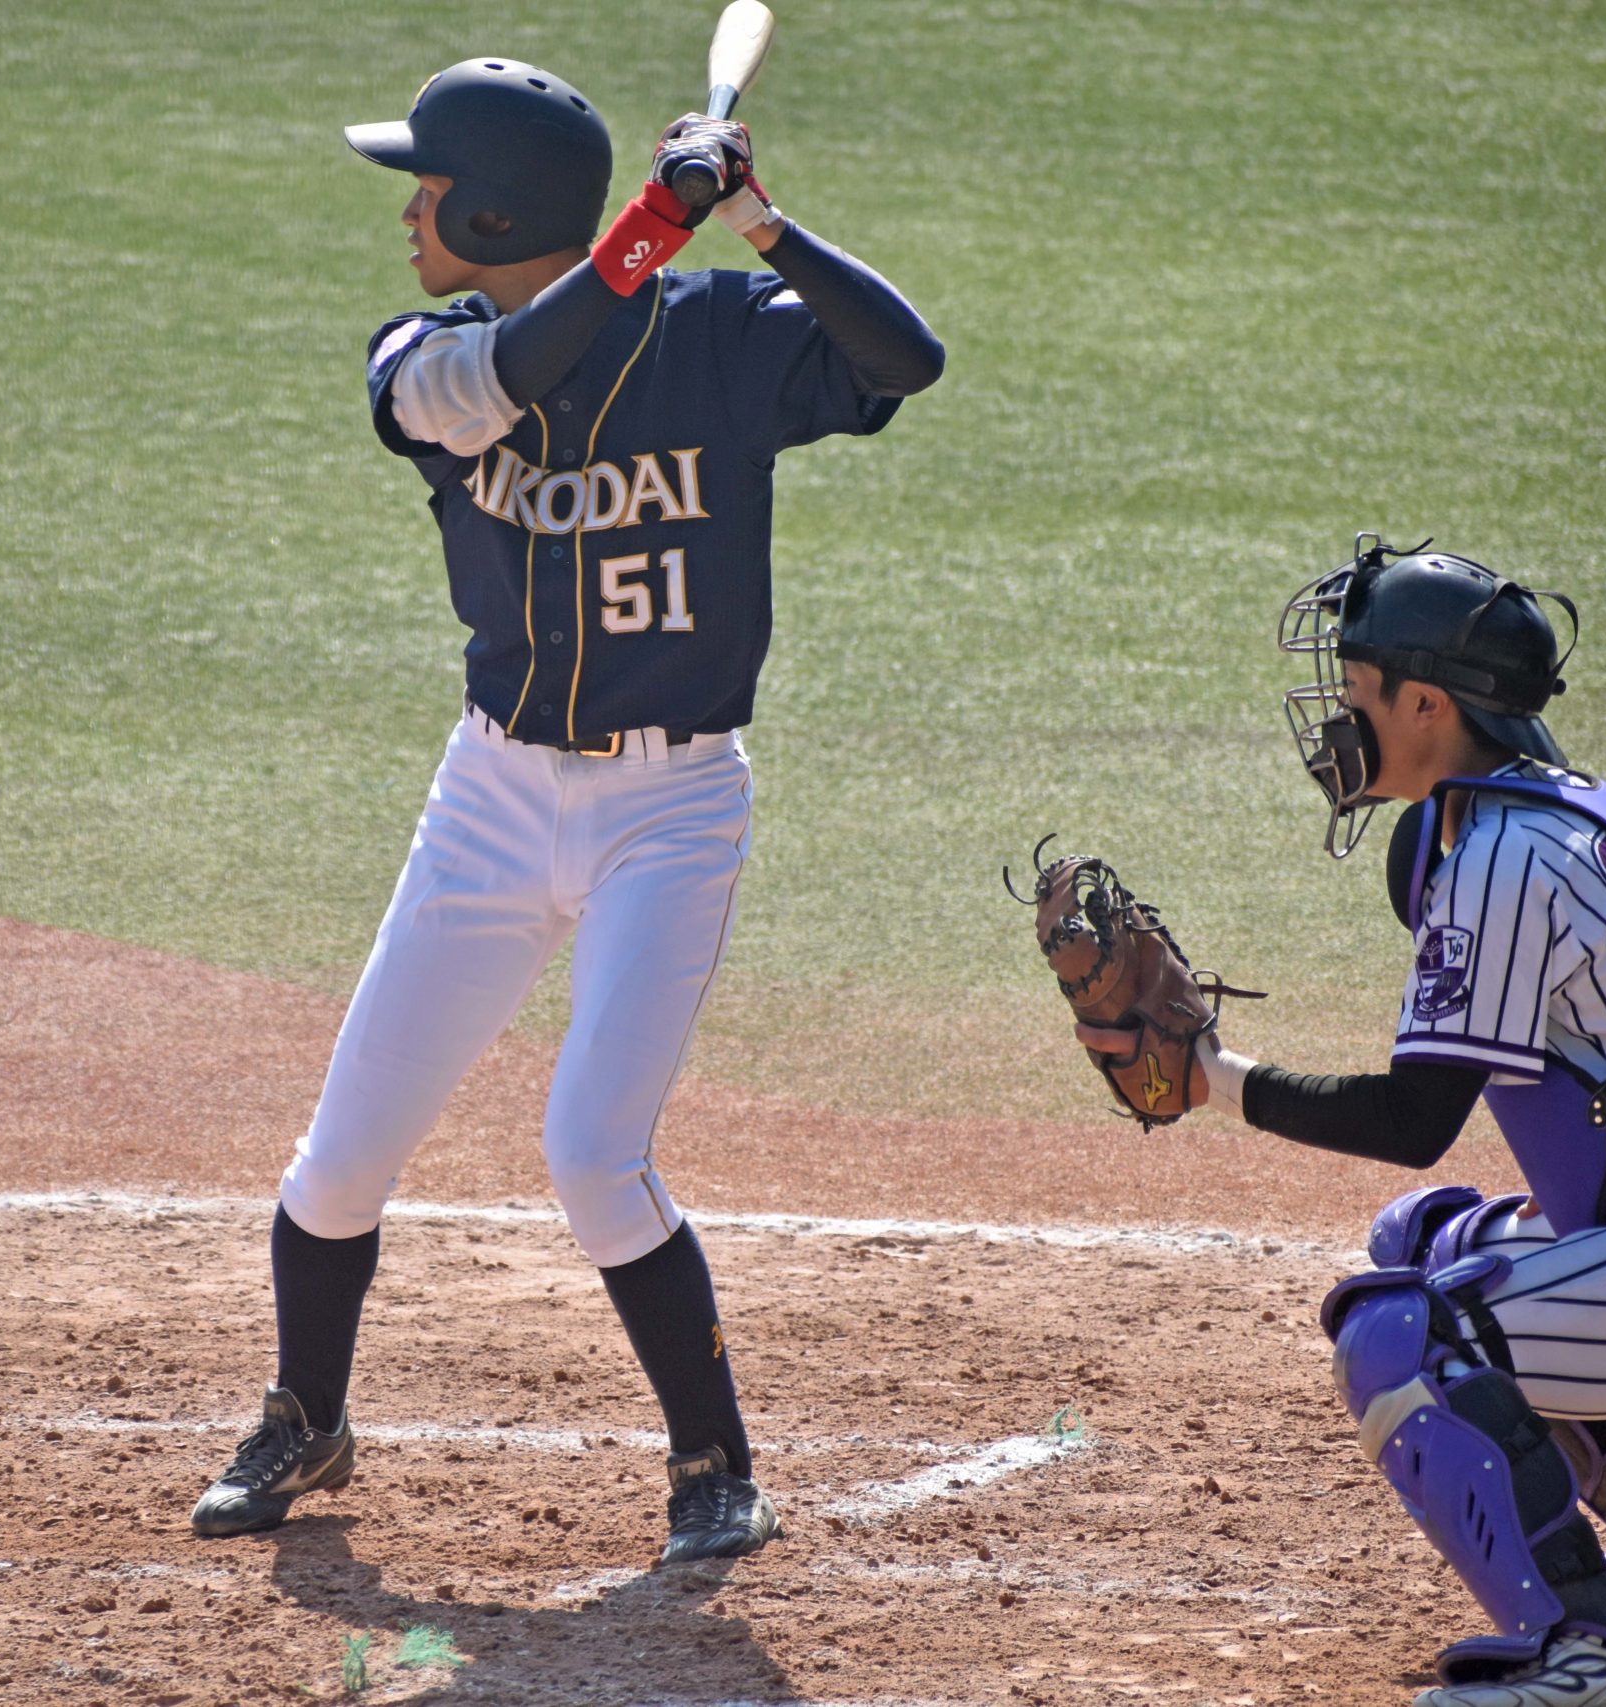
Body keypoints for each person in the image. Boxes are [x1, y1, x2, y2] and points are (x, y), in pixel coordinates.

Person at [188, 56, 944, 1563]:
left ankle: (714, 1462)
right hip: (491, 792)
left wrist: (761, 227)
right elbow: (520, 377)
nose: (409, 209)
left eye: (427, 183)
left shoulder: (719, 339)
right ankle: (306, 1410)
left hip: (670, 808)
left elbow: (904, 362)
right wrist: (647, 234)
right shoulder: (427, 353)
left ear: (489, 202)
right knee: (339, 1158)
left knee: (594, 1149)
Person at [1089, 536, 1606, 1706]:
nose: (1335, 721)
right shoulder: (1600, 818)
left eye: (1354, 694)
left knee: (1408, 1341)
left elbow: (1414, 1115)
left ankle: (1583, 1655)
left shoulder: (1500, 859)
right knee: (1431, 1241)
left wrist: (1213, 1076)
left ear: (1424, 703)